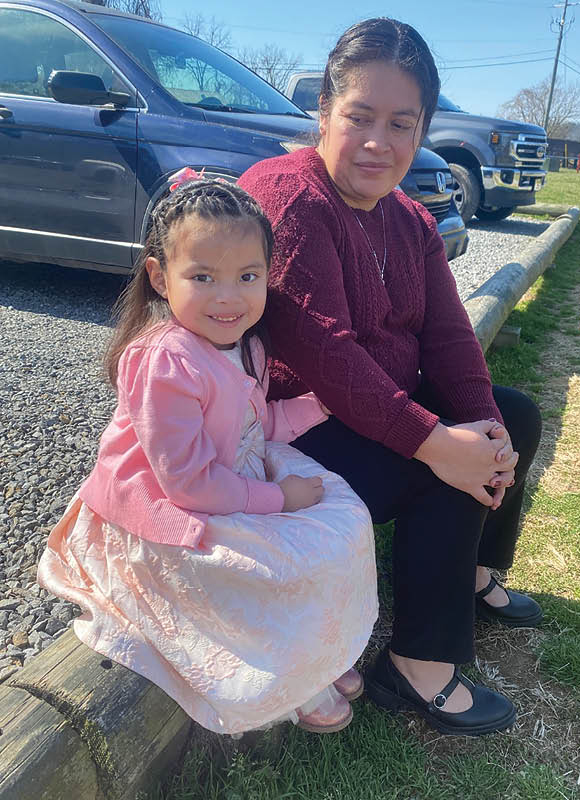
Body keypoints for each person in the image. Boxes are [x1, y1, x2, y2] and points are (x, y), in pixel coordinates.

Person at [239, 18, 543, 737]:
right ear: (324, 113)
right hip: (297, 429)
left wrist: (485, 428)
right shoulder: (289, 197)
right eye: (360, 117)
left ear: (423, 128)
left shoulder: (407, 216)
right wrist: (438, 442)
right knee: (442, 467)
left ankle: (471, 574)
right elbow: (328, 358)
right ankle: (416, 668)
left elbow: (446, 336)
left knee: (512, 415)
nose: (380, 142)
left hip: (373, 406)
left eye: (402, 123)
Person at [37, 177, 378, 736]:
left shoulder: (247, 342)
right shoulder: (164, 362)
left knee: (347, 521)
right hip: (166, 509)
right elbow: (188, 483)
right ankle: (292, 679)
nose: (228, 296)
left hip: (229, 478)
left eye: (248, 276)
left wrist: (319, 406)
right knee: (271, 567)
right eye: (202, 277)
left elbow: (256, 425)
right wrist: (278, 498)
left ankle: (317, 650)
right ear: (159, 277)